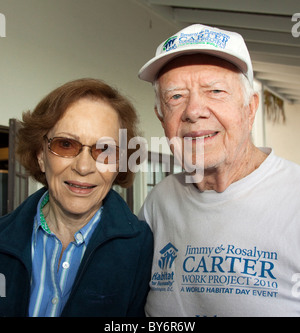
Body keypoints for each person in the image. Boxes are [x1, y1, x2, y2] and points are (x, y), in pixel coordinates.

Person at [138, 24, 300, 316]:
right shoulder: (158, 203)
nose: (193, 110)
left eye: (215, 91)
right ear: (161, 118)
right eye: (175, 97)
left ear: (250, 109)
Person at [0, 78, 153, 317]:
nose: (83, 167)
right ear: (41, 155)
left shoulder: (143, 248)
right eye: (66, 144)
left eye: (104, 150)